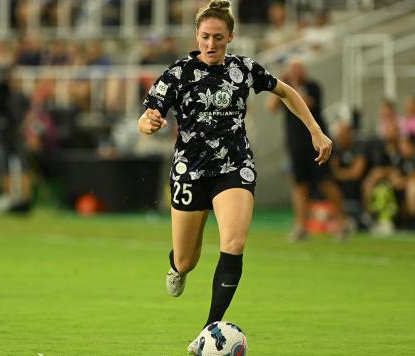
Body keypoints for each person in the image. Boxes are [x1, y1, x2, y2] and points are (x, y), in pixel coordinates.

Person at [137, 1, 333, 354]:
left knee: (235, 242)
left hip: (234, 167)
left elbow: (286, 91)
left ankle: (207, 332)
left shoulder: (245, 69)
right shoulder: (178, 73)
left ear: (230, 36)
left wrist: (315, 131)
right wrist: (149, 124)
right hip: (190, 171)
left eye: (218, 38)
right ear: (196, 36)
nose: (211, 44)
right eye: (205, 37)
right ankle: (175, 266)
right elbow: (148, 115)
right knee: (186, 260)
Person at [268, 58, 349, 241]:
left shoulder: (313, 86)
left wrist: (293, 86)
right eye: (291, 69)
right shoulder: (284, 89)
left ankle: (343, 222)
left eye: (297, 69)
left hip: (315, 144)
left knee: (325, 182)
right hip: (295, 145)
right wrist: (278, 85)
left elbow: (306, 104)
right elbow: (271, 108)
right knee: (299, 185)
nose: (294, 72)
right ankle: (301, 226)